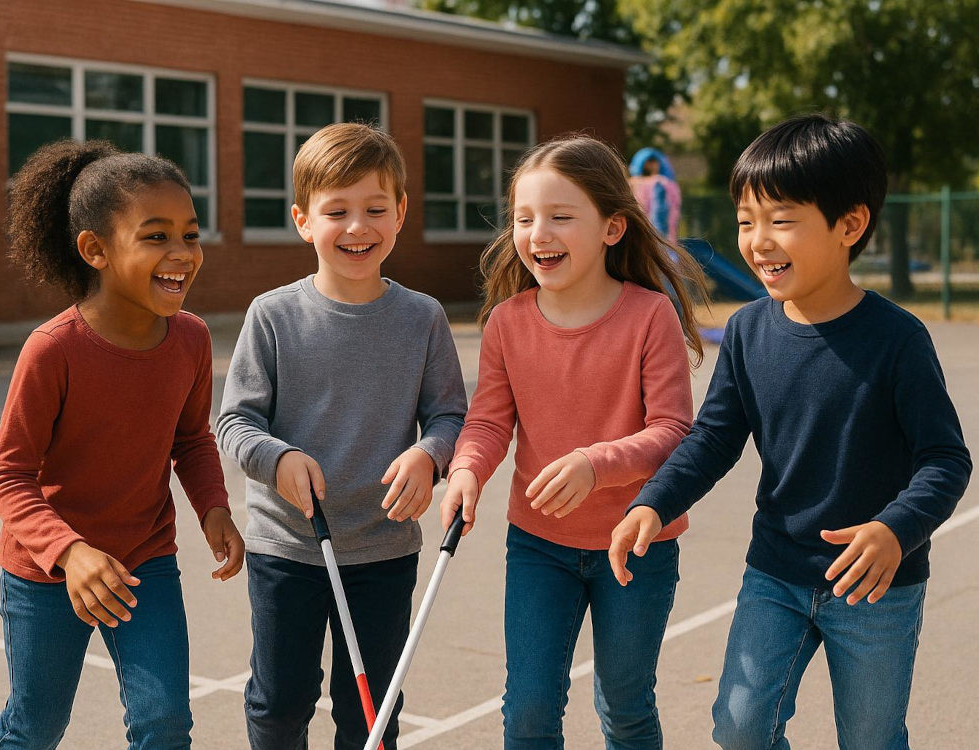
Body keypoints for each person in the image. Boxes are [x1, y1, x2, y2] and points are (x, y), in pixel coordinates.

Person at [610, 114, 972, 750]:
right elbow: (714, 438)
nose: (757, 241)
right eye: (747, 221)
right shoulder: (749, 332)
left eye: (780, 220)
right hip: (774, 574)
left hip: (875, 586)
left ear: (850, 226)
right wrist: (654, 499)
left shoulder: (898, 340)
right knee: (741, 727)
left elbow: (945, 460)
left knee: (871, 739)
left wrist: (896, 530)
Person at [439, 134, 709, 749]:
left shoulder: (649, 316)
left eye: (561, 217)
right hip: (538, 544)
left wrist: (596, 464)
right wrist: (465, 472)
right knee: (529, 710)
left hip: (638, 542)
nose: (539, 234)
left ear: (613, 227)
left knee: (625, 705)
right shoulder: (507, 323)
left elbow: (673, 432)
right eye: (525, 218)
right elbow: (486, 423)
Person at [0, 140, 244, 749]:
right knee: (35, 726)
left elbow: (192, 438)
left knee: (164, 723)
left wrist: (213, 508)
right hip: (47, 574)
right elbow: (7, 477)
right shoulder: (54, 350)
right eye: (156, 237)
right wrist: (71, 553)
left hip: (144, 561)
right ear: (95, 250)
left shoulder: (192, 340)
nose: (181, 254)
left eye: (190, 234)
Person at [217, 122, 468, 750]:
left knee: (372, 712)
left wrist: (429, 455)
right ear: (304, 220)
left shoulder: (423, 318)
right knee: (280, 704)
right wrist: (276, 459)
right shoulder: (272, 315)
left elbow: (449, 417)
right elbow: (234, 422)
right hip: (288, 548)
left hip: (383, 549)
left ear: (401, 212)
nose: (358, 227)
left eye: (375, 209)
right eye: (337, 211)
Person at [628, 148, 681, 244]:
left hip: (645, 237)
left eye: (653, 162)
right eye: (649, 162)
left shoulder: (633, 183)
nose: (652, 165)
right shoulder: (666, 183)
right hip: (657, 238)